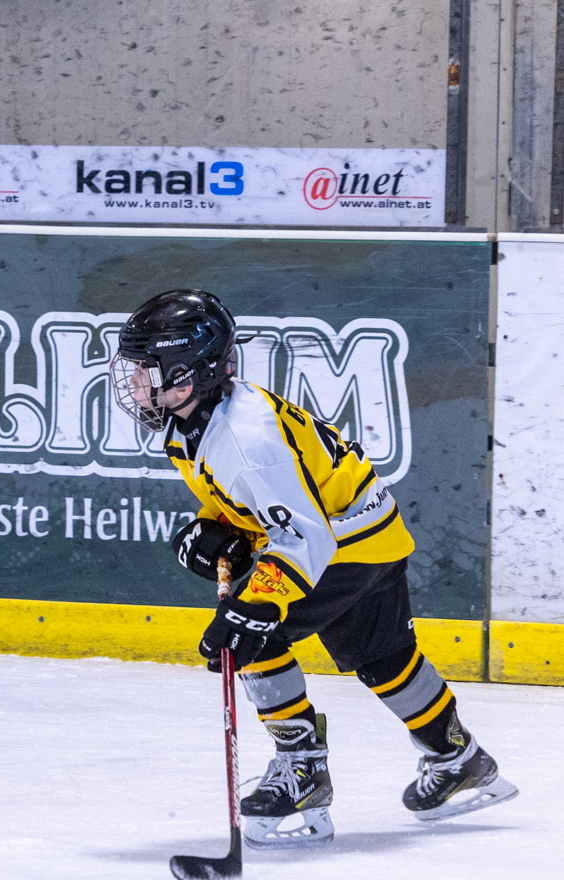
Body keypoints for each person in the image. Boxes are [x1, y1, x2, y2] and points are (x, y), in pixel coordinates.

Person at [110, 289, 516, 848]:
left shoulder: (244, 438)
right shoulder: (202, 417)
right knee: (384, 657)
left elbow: (304, 536)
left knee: (252, 637)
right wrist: (215, 526)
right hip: (371, 531)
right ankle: (458, 759)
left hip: (339, 544)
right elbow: (258, 501)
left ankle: (302, 772)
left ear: (187, 374)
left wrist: (255, 606)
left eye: (145, 369)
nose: (133, 382)